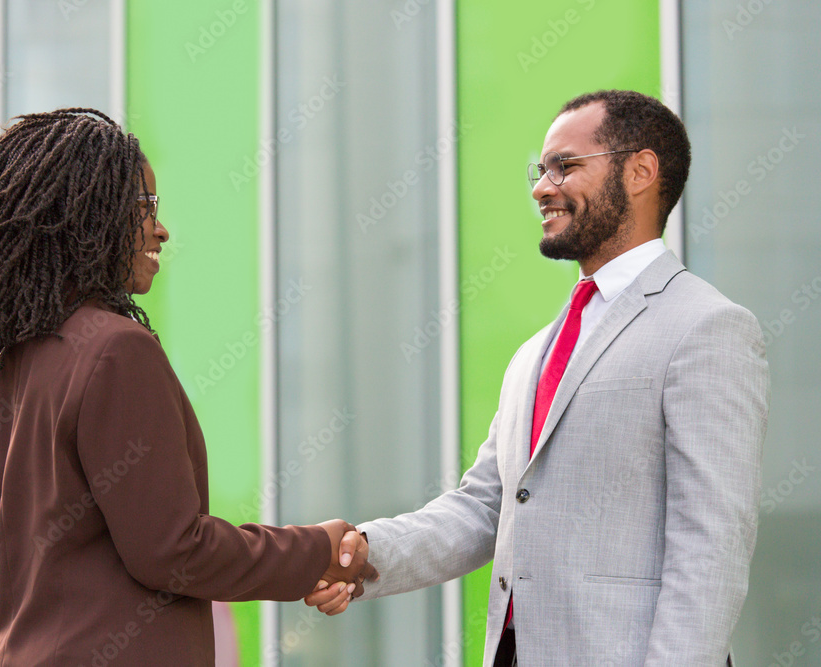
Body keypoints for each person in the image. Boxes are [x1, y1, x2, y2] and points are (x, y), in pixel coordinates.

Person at [307, 90, 770, 665]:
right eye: (540, 168)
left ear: (641, 171)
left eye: (565, 166)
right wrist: (363, 554)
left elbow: (712, 546)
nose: (541, 187)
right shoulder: (536, 352)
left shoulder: (707, 327)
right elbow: (484, 508)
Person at [0, 108, 373, 665]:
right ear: (86, 215)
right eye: (144, 208)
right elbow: (173, 550)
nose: (160, 227)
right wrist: (317, 550)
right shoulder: (116, 350)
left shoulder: (4, 378)